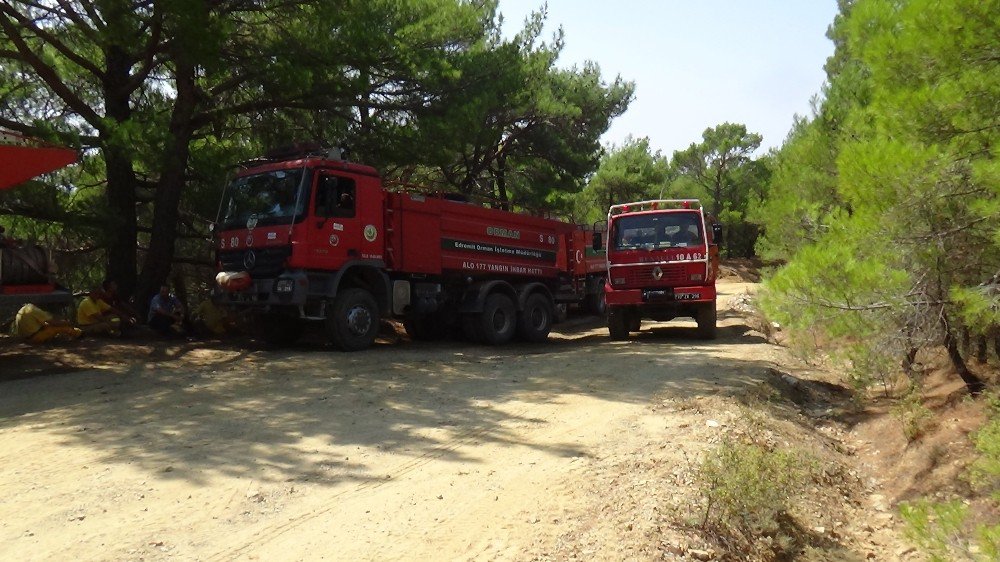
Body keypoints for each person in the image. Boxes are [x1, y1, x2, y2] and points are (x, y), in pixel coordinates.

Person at [12, 303, 82, 344]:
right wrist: (68, 323)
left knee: (50, 327)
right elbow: (54, 323)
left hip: (26, 338)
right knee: (62, 328)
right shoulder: (34, 310)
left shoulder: (24, 309)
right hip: (35, 338)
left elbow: (43, 324)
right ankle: (79, 334)